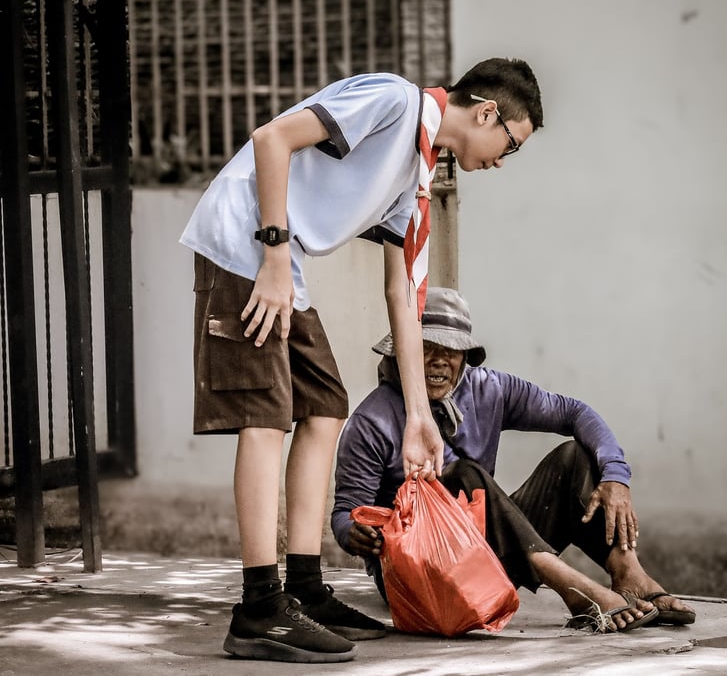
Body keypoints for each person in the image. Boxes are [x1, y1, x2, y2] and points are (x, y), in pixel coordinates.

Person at [179, 59, 544, 662]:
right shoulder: (395, 102)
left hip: (283, 261)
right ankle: (259, 607)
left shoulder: (415, 171)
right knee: (265, 416)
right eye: (511, 144)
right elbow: (271, 140)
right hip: (246, 246)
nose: (503, 161)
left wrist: (419, 416)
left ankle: (303, 588)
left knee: (325, 406)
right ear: (486, 114)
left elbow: (402, 294)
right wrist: (274, 257)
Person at [332, 287, 697, 635]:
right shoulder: (372, 421)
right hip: (423, 577)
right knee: (462, 475)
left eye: (452, 350)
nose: (439, 360)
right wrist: (355, 533)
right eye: (426, 348)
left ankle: (628, 571)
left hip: (490, 559)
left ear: (465, 357)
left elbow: (575, 413)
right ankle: (573, 589)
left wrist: (616, 476)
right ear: (402, 353)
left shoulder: (488, 389)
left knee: (574, 457)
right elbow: (345, 513)